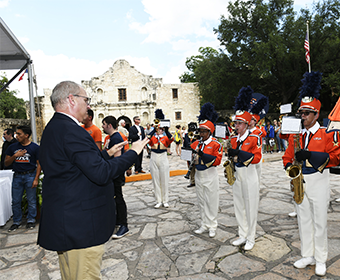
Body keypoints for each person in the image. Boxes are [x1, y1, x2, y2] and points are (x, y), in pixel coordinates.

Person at [37, 81, 148, 280]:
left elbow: (72, 168)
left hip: (68, 221)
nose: (89, 106)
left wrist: (105, 154)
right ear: (71, 100)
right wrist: (132, 154)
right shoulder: (72, 131)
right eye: (86, 100)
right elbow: (101, 173)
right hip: (81, 226)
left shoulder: (55, 127)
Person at [282, 72, 340, 277]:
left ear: (316, 114)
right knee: (303, 219)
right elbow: (287, 157)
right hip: (301, 181)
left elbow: (335, 158)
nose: (303, 116)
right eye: (301, 113)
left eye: (307, 113)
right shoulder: (295, 135)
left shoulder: (326, 133)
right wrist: (290, 168)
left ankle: (321, 258)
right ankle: (308, 255)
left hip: (318, 179)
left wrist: (311, 155)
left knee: (319, 221)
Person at [228, 86, 262, 251]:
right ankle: (242, 234)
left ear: (247, 124)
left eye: (239, 123)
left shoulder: (254, 137)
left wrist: (239, 153)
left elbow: (257, 158)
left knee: (250, 206)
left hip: (249, 173)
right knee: (238, 205)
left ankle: (251, 237)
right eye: (236, 123)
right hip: (237, 173)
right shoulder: (233, 138)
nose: (236, 126)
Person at [191, 103, 222, 238]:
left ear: (210, 132)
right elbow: (189, 158)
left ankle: (212, 225)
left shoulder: (215, 144)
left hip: (210, 174)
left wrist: (203, 155)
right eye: (200, 131)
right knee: (201, 200)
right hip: (199, 174)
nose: (201, 133)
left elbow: (217, 161)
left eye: (204, 131)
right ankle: (204, 223)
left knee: (211, 200)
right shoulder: (196, 143)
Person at [5, 125, 41, 231]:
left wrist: (36, 178)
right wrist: (15, 156)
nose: (16, 136)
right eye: (16, 133)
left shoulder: (35, 148)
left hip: (30, 175)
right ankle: (16, 221)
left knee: (31, 200)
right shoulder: (12, 147)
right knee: (16, 200)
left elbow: (39, 164)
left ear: (26, 135)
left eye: (19, 134)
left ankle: (31, 220)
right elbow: (6, 163)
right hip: (17, 176)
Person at [102, 116, 130, 239]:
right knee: (115, 198)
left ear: (109, 125)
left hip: (115, 174)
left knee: (118, 198)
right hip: (113, 173)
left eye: (104, 124)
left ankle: (124, 225)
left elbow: (117, 158)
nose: (102, 126)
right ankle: (118, 221)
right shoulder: (112, 138)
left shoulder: (116, 138)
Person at [148, 109, 173, 208]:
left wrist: (167, 130)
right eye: (158, 129)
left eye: (160, 129)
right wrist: (154, 128)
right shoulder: (153, 137)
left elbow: (171, 139)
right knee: (156, 179)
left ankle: (165, 200)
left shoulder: (165, 137)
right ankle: (158, 200)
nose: (159, 131)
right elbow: (148, 138)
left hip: (163, 156)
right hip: (153, 155)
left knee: (164, 178)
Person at [183, 122, 198, 188]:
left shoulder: (198, 135)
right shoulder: (186, 135)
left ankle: (198, 181)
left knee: (197, 168)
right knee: (190, 168)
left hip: (196, 153)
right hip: (188, 153)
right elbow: (185, 144)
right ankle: (192, 181)